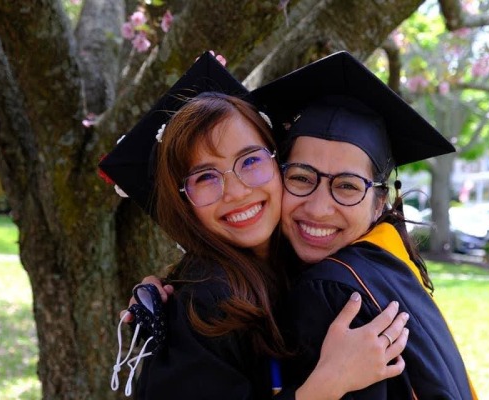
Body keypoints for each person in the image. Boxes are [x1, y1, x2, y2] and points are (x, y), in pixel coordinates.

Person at [99, 52, 409, 400]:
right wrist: (327, 385)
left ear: (277, 160)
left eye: (250, 160)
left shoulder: (299, 261)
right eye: (205, 177)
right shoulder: (207, 301)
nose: (236, 191)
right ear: (183, 201)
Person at [250, 51, 479, 399]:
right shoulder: (388, 266)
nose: (319, 208)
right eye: (300, 178)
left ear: (378, 203)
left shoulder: (332, 293)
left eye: (346, 186)